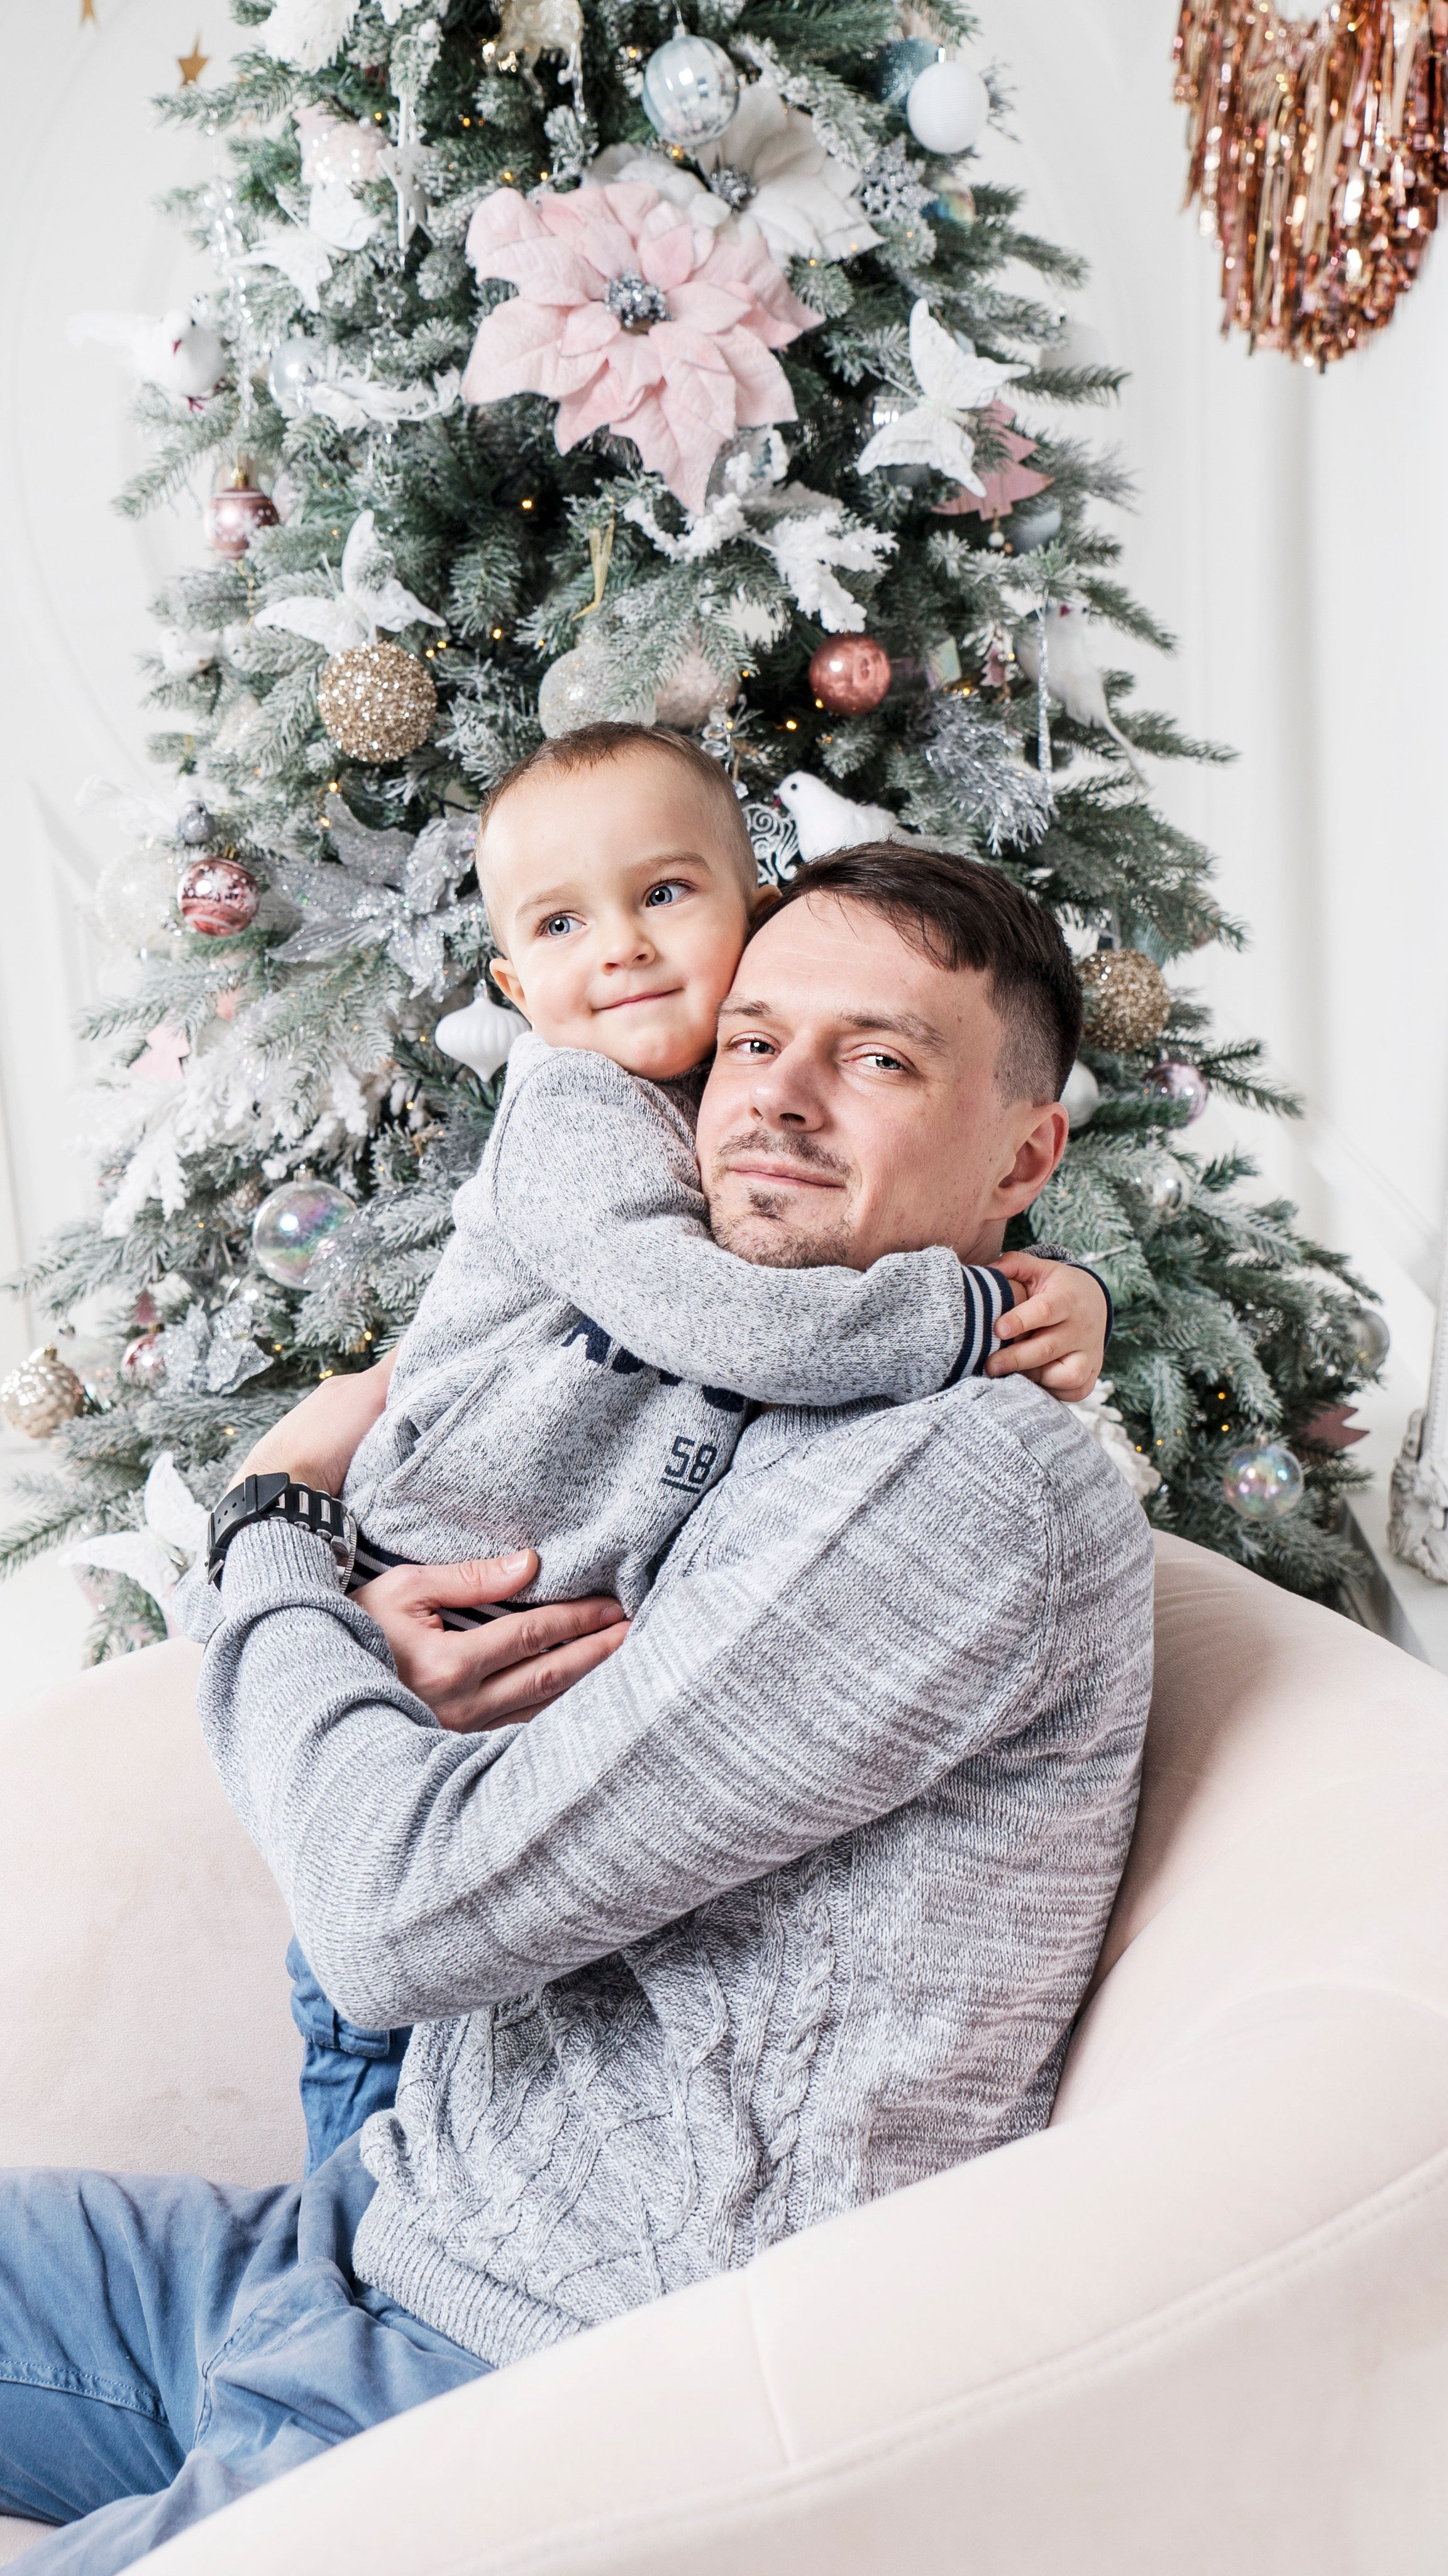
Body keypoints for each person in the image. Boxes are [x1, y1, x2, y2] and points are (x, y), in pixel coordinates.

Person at [0, 841, 1155, 2575]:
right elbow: (445, 1562)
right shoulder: (728, 1359)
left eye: (882, 1057)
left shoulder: (968, 1486)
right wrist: (372, 1631)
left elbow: (397, 1917)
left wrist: (267, 1542)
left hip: (529, 2378)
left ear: (1026, 1156)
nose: (780, 1102)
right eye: (752, 1043)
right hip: (366, 2239)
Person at [238, 722, 1112, 2170]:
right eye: (564, 924)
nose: (628, 954)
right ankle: (349, 2235)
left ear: (742, 909)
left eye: (666, 897)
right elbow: (749, 1316)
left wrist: (1064, 1281)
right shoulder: (576, 1112)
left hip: (494, 1733)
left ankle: (355, 2252)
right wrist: (971, 1305)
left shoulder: (951, 1458)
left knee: (379, 2147)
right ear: (518, 987)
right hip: (422, 1580)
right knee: (359, 2113)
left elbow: (861, 1219)